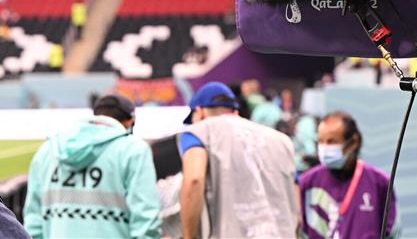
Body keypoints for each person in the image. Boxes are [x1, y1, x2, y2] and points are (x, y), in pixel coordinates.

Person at [24, 95, 162, 238]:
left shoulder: (48, 150)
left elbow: (33, 220)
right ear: (130, 122)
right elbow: (145, 217)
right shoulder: (133, 150)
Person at [178, 82, 299, 238]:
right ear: (234, 111)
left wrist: (188, 236)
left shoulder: (197, 132)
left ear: (200, 112)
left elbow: (194, 179)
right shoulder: (281, 141)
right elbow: (295, 188)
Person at [299, 111, 399, 239]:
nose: (324, 147)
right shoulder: (308, 183)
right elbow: (301, 232)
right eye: (321, 141)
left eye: (331, 142)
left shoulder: (379, 183)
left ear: (353, 142)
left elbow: (392, 234)